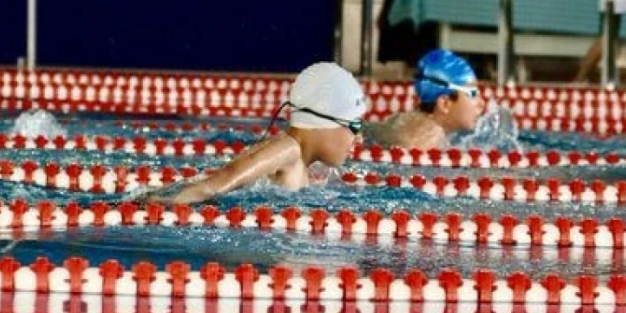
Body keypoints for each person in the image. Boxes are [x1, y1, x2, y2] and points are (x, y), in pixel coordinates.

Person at [142, 62, 366, 204]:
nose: (359, 138)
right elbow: (217, 183)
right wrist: (158, 204)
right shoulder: (287, 150)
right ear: (323, 121)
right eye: (354, 126)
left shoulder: (305, 164)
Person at [366, 50, 482, 151]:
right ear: (445, 104)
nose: (481, 104)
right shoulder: (428, 135)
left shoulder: (420, 123)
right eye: (473, 93)